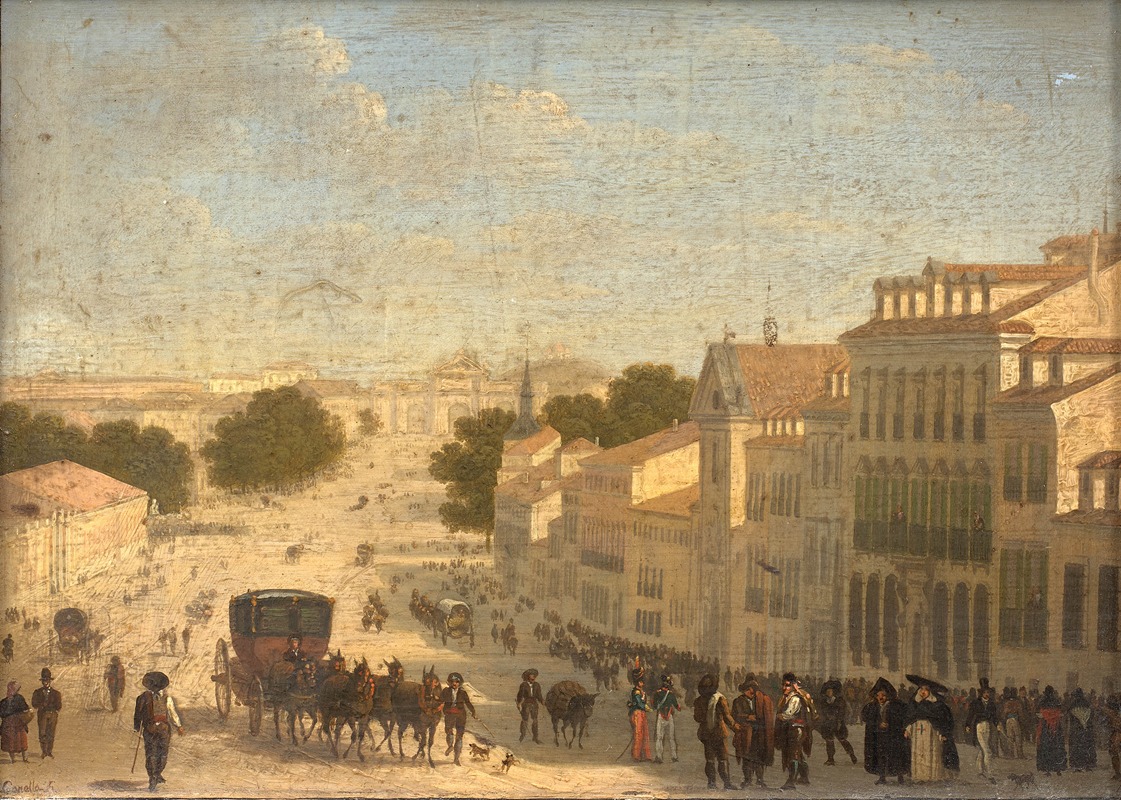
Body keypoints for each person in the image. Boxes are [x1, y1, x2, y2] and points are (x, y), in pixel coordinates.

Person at [134, 671, 184, 792]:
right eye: (153, 685)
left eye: (157, 685)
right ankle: (153, 777)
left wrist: (179, 726)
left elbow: (172, 713)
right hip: (150, 729)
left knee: (163, 755)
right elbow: (137, 714)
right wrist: (137, 727)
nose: (155, 688)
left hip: (164, 730)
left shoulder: (167, 698)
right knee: (151, 754)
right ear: (149, 686)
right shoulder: (142, 698)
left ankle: (158, 773)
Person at [903, 675, 959, 783]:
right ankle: (919, 777)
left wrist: (942, 733)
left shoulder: (938, 705)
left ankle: (931, 777)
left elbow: (943, 721)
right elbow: (910, 718)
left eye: (926, 689)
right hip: (917, 733)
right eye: (921, 689)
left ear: (931, 691)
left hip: (932, 733)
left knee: (931, 753)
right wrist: (907, 729)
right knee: (918, 753)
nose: (923, 692)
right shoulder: (914, 703)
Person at [693, 672, 739, 790]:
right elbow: (727, 716)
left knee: (712, 759)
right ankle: (725, 783)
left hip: (708, 733)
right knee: (721, 759)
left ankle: (713, 783)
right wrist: (735, 727)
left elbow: (697, 718)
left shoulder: (700, 700)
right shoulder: (720, 698)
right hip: (718, 733)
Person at [861, 676, 908, 785]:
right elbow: (865, 717)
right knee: (880, 756)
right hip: (879, 736)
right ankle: (882, 777)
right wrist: (878, 724)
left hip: (893, 735)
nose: (880, 697)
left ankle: (900, 777)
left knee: (896, 755)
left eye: (883, 695)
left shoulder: (897, 705)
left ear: (888, 695)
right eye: (878, 695)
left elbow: (902, 718)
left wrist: (890, 724)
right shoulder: (872, 706)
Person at [732, 673, 775, 788]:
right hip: (746, 734)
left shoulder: (760, 701)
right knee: (746, 757)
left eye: (753, 689)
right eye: (749, 689)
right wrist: (747, 717)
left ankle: (760, 779)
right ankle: (747, 780)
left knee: (759, 757)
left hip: (759, 733)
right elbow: (735, 715)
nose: (751, 691)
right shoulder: (738, 701)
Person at [775, 672, 816, 789]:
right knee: (797, 753)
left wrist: (779, 716)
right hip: (791, 729)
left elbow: (788, 714)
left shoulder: (795, 698)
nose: (784, 688)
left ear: (793, 685)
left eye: (787, 685)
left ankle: (791, 781)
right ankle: (804, 777)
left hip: (796, 730)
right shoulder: (786, 697)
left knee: (793, 754)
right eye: (783, 685)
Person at [964, 677, 999, 781]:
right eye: (985, 692)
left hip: (987, 726)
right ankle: (990, 773)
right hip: (979, 727)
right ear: (981, 693)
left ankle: (979, 771)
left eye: (988, 692)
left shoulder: (991, 704)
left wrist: (997, 724)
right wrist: (968, 725)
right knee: (987, 750)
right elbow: (970, 715)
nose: (987, 694)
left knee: (981, 750)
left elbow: (994, 716)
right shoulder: (976, 703)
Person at [818, 679, 857, 766]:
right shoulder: (824, 702)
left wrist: (838, 720)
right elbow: (822, 712)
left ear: (833, 692)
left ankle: (852, 755)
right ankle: (830, 759)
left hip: (838, 723)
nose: (828, 693)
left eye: (830, 691)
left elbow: (842, 712)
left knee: (843, 740)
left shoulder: (839, 701)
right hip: (828, 724)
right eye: (827, 691)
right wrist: (826, 717)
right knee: (829, 741)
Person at [440, 672, 476, 765]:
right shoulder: (445, 691)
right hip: (449, 714)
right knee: (449, 731)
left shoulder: (463, 692)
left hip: (461, 716)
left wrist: (473, 712)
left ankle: (456, 758)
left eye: (456, 682)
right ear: (449, 682)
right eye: (452, 681)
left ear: (460, 683)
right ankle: (450, 746)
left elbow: (468, 703)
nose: (454, 683)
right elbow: (440, 701)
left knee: (459, 737)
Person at [1035, 685, 1066, 776]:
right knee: (1057, 746)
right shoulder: (1056, 700)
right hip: (1056, 727)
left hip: (1046, 726)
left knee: (1046, 747)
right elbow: (1060, 712)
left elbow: (1038, 713)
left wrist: (1045, 715)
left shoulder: (1042, 700)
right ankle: (1058, 769)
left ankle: (1047, 769)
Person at [31, 667, 61, 759]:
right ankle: (44, 751)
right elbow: (34, 704)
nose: (45, 682)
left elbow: (59, 706)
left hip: (52, 715)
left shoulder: (56, 693)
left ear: (50, 681)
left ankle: (49, 752)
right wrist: (42, 705)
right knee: (42, 733)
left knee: (51, 733)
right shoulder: (37, 692)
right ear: (41, 681)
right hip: (42, 715)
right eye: (43, 680)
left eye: (47, 680)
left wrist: (50, 707)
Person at [651, 674, 681, 764]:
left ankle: (659, 757)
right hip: (669, 717)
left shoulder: (657, 693)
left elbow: (654, 705)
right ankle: (674, 756)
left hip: (661, 716)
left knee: (659, 737)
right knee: (671, 738)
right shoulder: (671, 695)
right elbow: (677, 707)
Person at [1065, 688, 1096, 772]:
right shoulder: (1087, 703)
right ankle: (1086, 765)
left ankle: (1076, 765)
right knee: (1085, 746)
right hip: (1085, 729)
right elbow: (1091, 715)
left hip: (1075, 729)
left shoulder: (1073, 703)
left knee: (1075, 747)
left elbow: (1068, 715)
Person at [0, 681, 30, 763]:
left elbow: (25, 708)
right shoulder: (3, 702)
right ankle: (13, 759)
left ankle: (25, 759)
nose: (10, 691)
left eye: (13, 689)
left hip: (18, 723)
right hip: (8, 724)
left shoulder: (19, 698)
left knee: (22, 740)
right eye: (9, 689)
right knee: (10, 742)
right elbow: (1, 713)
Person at [627, 672, 653, 762]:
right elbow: (639, 703)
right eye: (641, 682)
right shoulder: (636, 692)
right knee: (638, 734)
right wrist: (647, 708)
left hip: (642, 714)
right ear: (638, 683)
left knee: (645, 734)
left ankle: (646, 756)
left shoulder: (641, 691)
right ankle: (636, 756)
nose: (643, 684)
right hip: (637, 713)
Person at [516, 669, 543, 744]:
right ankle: (522, 735)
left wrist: (542, 701)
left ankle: (535, 737)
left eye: (534, 676)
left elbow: (539, 695)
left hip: (534, 704)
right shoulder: (524, 685)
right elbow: (520, 695)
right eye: (532, 675)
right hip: (526, 704)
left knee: (535, 720)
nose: (533, 677)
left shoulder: (537, 685)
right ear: (528, 676)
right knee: (525, 720)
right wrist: (518, 703)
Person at [1000, 687, 1026, 759]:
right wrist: (1023, 720)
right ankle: (1020, 754)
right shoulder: (1017, 703)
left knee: (1010, 737)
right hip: (1015, 720)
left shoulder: (1007, 703)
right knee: (1018, 737)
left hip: (1008, 721)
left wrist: (1004, 719)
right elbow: (1020, 713)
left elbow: (1004, 713)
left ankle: (1011, 754)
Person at [1101, 694, 1121, 781]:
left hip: (1118, 733)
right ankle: (1117, 773)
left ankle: (1117, 774)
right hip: (1117, 732)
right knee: (1113, 752)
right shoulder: (1113, 711)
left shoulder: (1113, 712)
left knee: (1114, 751)